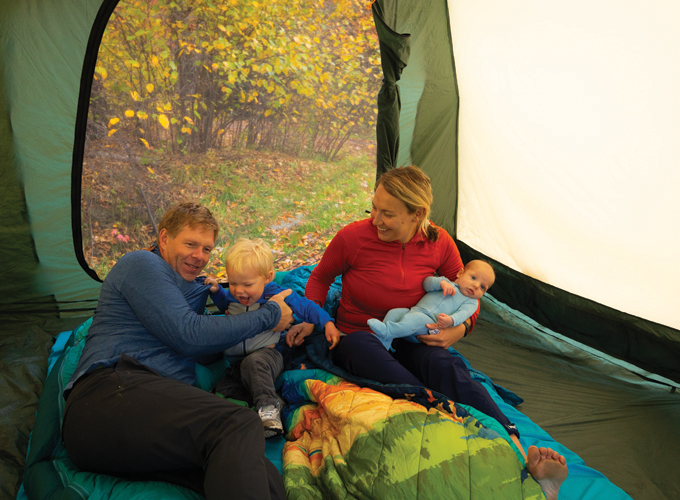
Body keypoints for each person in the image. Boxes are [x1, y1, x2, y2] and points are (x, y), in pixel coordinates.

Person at [285, 166, 568, 499]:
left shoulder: (439, 243)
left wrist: (459, 331)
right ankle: (440, 413)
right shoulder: (353, 238)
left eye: (387, 214)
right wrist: (311, 315)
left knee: (446, 366)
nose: (375, 219)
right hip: (359, 334)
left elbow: (468, 296)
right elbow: (319, 278)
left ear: (416, 214)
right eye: (373, 208)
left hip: (415, 335)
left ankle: (516, 447)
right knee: (374, 355)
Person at [61, 202, 294, 500]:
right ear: (164, 239)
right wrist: (270, 314)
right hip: (108, 396)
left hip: (147, 420)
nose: (199, 256)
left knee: (262, 473)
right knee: (238, 422)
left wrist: (292, 328)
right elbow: (189, 336)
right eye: (190, 244)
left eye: (207, 249)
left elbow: (206, 345)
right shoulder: (141, 264)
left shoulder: (190, 289)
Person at [204, 238, 340, 438]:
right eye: (233, 283)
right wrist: (217, 292)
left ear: (267, 277)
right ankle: (272, 403)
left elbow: (307, 307)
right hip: (236, 364)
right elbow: (226, 303)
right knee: (224, 389)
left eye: (247, 284)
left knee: (255, 363)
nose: (239, 290)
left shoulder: (277, 295)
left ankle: (269, 412)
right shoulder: (235, 295)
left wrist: (327, 322)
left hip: (268, 356)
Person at [367, 260, 495, 351]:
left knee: (415, 319)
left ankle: (388, 331)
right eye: (473, 278)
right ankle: (384, 342)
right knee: (394, 313)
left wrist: (450, 321)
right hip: (413, 311)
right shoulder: (446, 282)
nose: (476, 285)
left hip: (430, 326)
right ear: (460, 273)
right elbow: (426, 284)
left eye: (483, 287)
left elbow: (462, 315)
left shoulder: (471, 302)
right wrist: (440, 283)